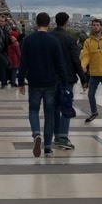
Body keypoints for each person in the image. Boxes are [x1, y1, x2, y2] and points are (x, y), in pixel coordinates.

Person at [18, 13, 68, 158]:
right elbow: (60, 64)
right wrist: (64, 82)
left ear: (35, 23)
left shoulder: (28, 40)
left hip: (34, 81)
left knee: (33, 109)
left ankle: (36, 133)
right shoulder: (53, 40)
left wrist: (20, 81)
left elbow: (23, 63)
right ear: (49, 24)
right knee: (50, 114)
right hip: (50, 82)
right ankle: (47, 147)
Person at [52, 12, 87, 150]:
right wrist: (83, 79)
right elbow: (75, 60)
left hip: (52, 77)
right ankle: (63, 136)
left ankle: (55, 135)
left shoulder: (50, 37)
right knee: (65, 106)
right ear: (66, 22)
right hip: (67, 77)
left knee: (53, 107)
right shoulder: (70, 38)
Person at [80, 18, 102, 126]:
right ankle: (94, 112)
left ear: (101, 26)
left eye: (97, 25)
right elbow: (85, 56)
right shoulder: (88, 41)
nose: (95, 27)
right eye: (94, 25)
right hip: (93, 73)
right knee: (90, 95)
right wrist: (83, 66)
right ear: (92, 26)